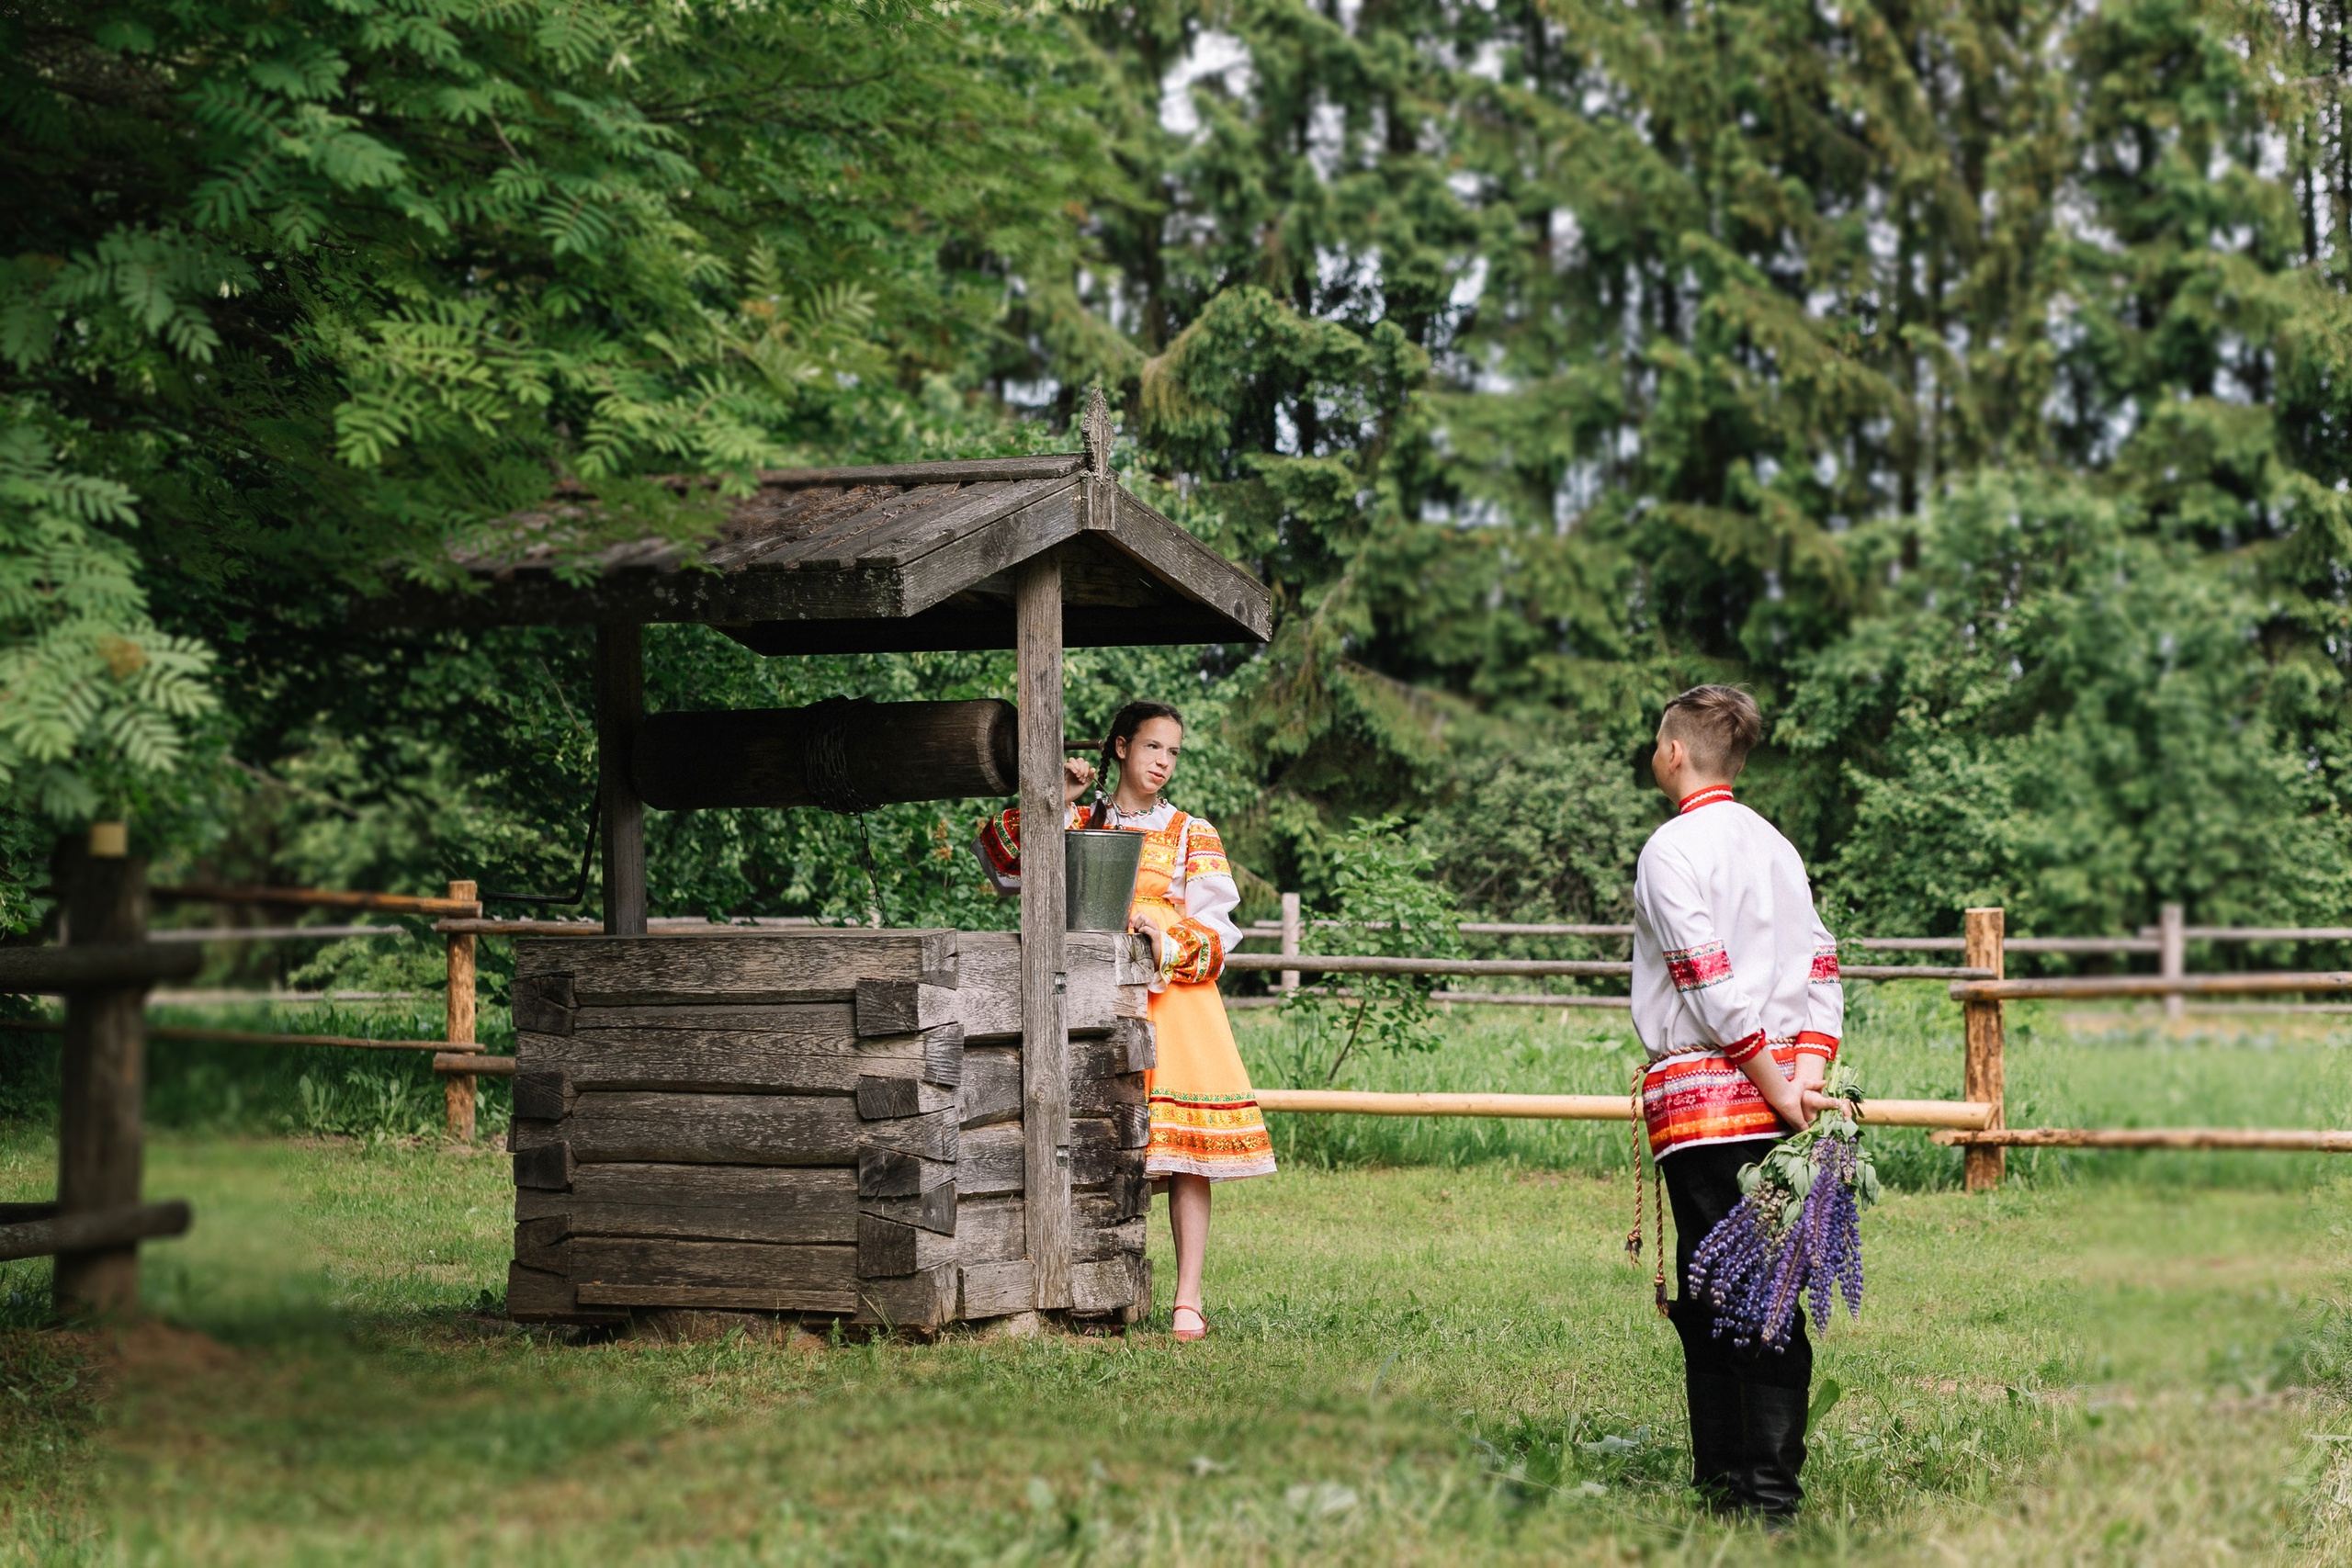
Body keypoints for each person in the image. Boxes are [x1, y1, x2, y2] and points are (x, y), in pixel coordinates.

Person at [974, 700, 1275, 1340]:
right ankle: (1085, 1281)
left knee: (1188, 1155)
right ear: (1119, 748)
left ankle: (1187, 1297)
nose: (1163, 762)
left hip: (1175, 1001)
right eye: (1151, 747)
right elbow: (1001, 857)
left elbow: (1219, 935)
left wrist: (1163, 936)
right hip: (1086, 994)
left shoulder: (1193, 832)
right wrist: (1056, 793)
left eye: (1172, 751)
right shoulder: (1081, 816)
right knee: (1086, 1136)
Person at [1631, 684, 1844, 1521]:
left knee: (1738, 1285)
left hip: (1716, 1101)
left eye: (1657, 741)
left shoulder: (1671, 848)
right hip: (1783, 1092)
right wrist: (1808, 1075)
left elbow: (1704, 976)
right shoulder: (1777, 847)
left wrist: (1770, 1082)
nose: (1655, 752)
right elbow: (1821, 963)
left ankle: (1763, 1494)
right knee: (1732, 1280)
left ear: (1675, 753)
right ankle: (1728, 1477)